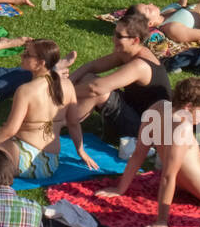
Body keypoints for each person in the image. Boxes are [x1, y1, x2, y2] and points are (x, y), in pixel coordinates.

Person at [96, 77, 200, 227]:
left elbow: (139, 155)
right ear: (188, 107)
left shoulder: (157, 108)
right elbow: (165, 175)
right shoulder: (181, 128)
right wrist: (161, 220)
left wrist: (120, 188)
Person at [0, 38, 88, 178]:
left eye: (27, 54)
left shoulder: (26, 90)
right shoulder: (68, 86)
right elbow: (73, 123)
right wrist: (81, 150)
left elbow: (9, 131)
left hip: (23, 160)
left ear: (41, 63)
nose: (22, 56)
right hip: (51, 164)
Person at [70, 12, 172, 142]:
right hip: (134, 112)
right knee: (88, 77)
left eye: (119, 36)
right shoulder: (129, 52)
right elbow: (92, 66)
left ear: (135, 40)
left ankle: (55, 124)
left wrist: (62, 92)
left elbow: (96, 88)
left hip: (146, 132)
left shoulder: (140, 66)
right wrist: (69, 81)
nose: (113, 38)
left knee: (100, 92)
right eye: (114, 32)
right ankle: (63, 118)